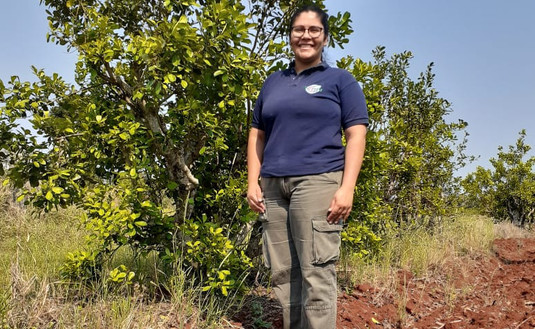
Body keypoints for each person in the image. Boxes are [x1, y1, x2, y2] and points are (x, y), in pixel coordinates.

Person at [247, 4, 368, 329]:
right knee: (283, 274)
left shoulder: (340, 81)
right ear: (290, 36)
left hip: (317, 182)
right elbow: (257, 134)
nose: (306, 35)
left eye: (314, 30)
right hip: (273, 188)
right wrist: (252, 181)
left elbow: (356, 135)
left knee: (316, 272)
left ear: (325, 37)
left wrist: (347, 187)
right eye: (299, 29)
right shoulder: (273, 83)